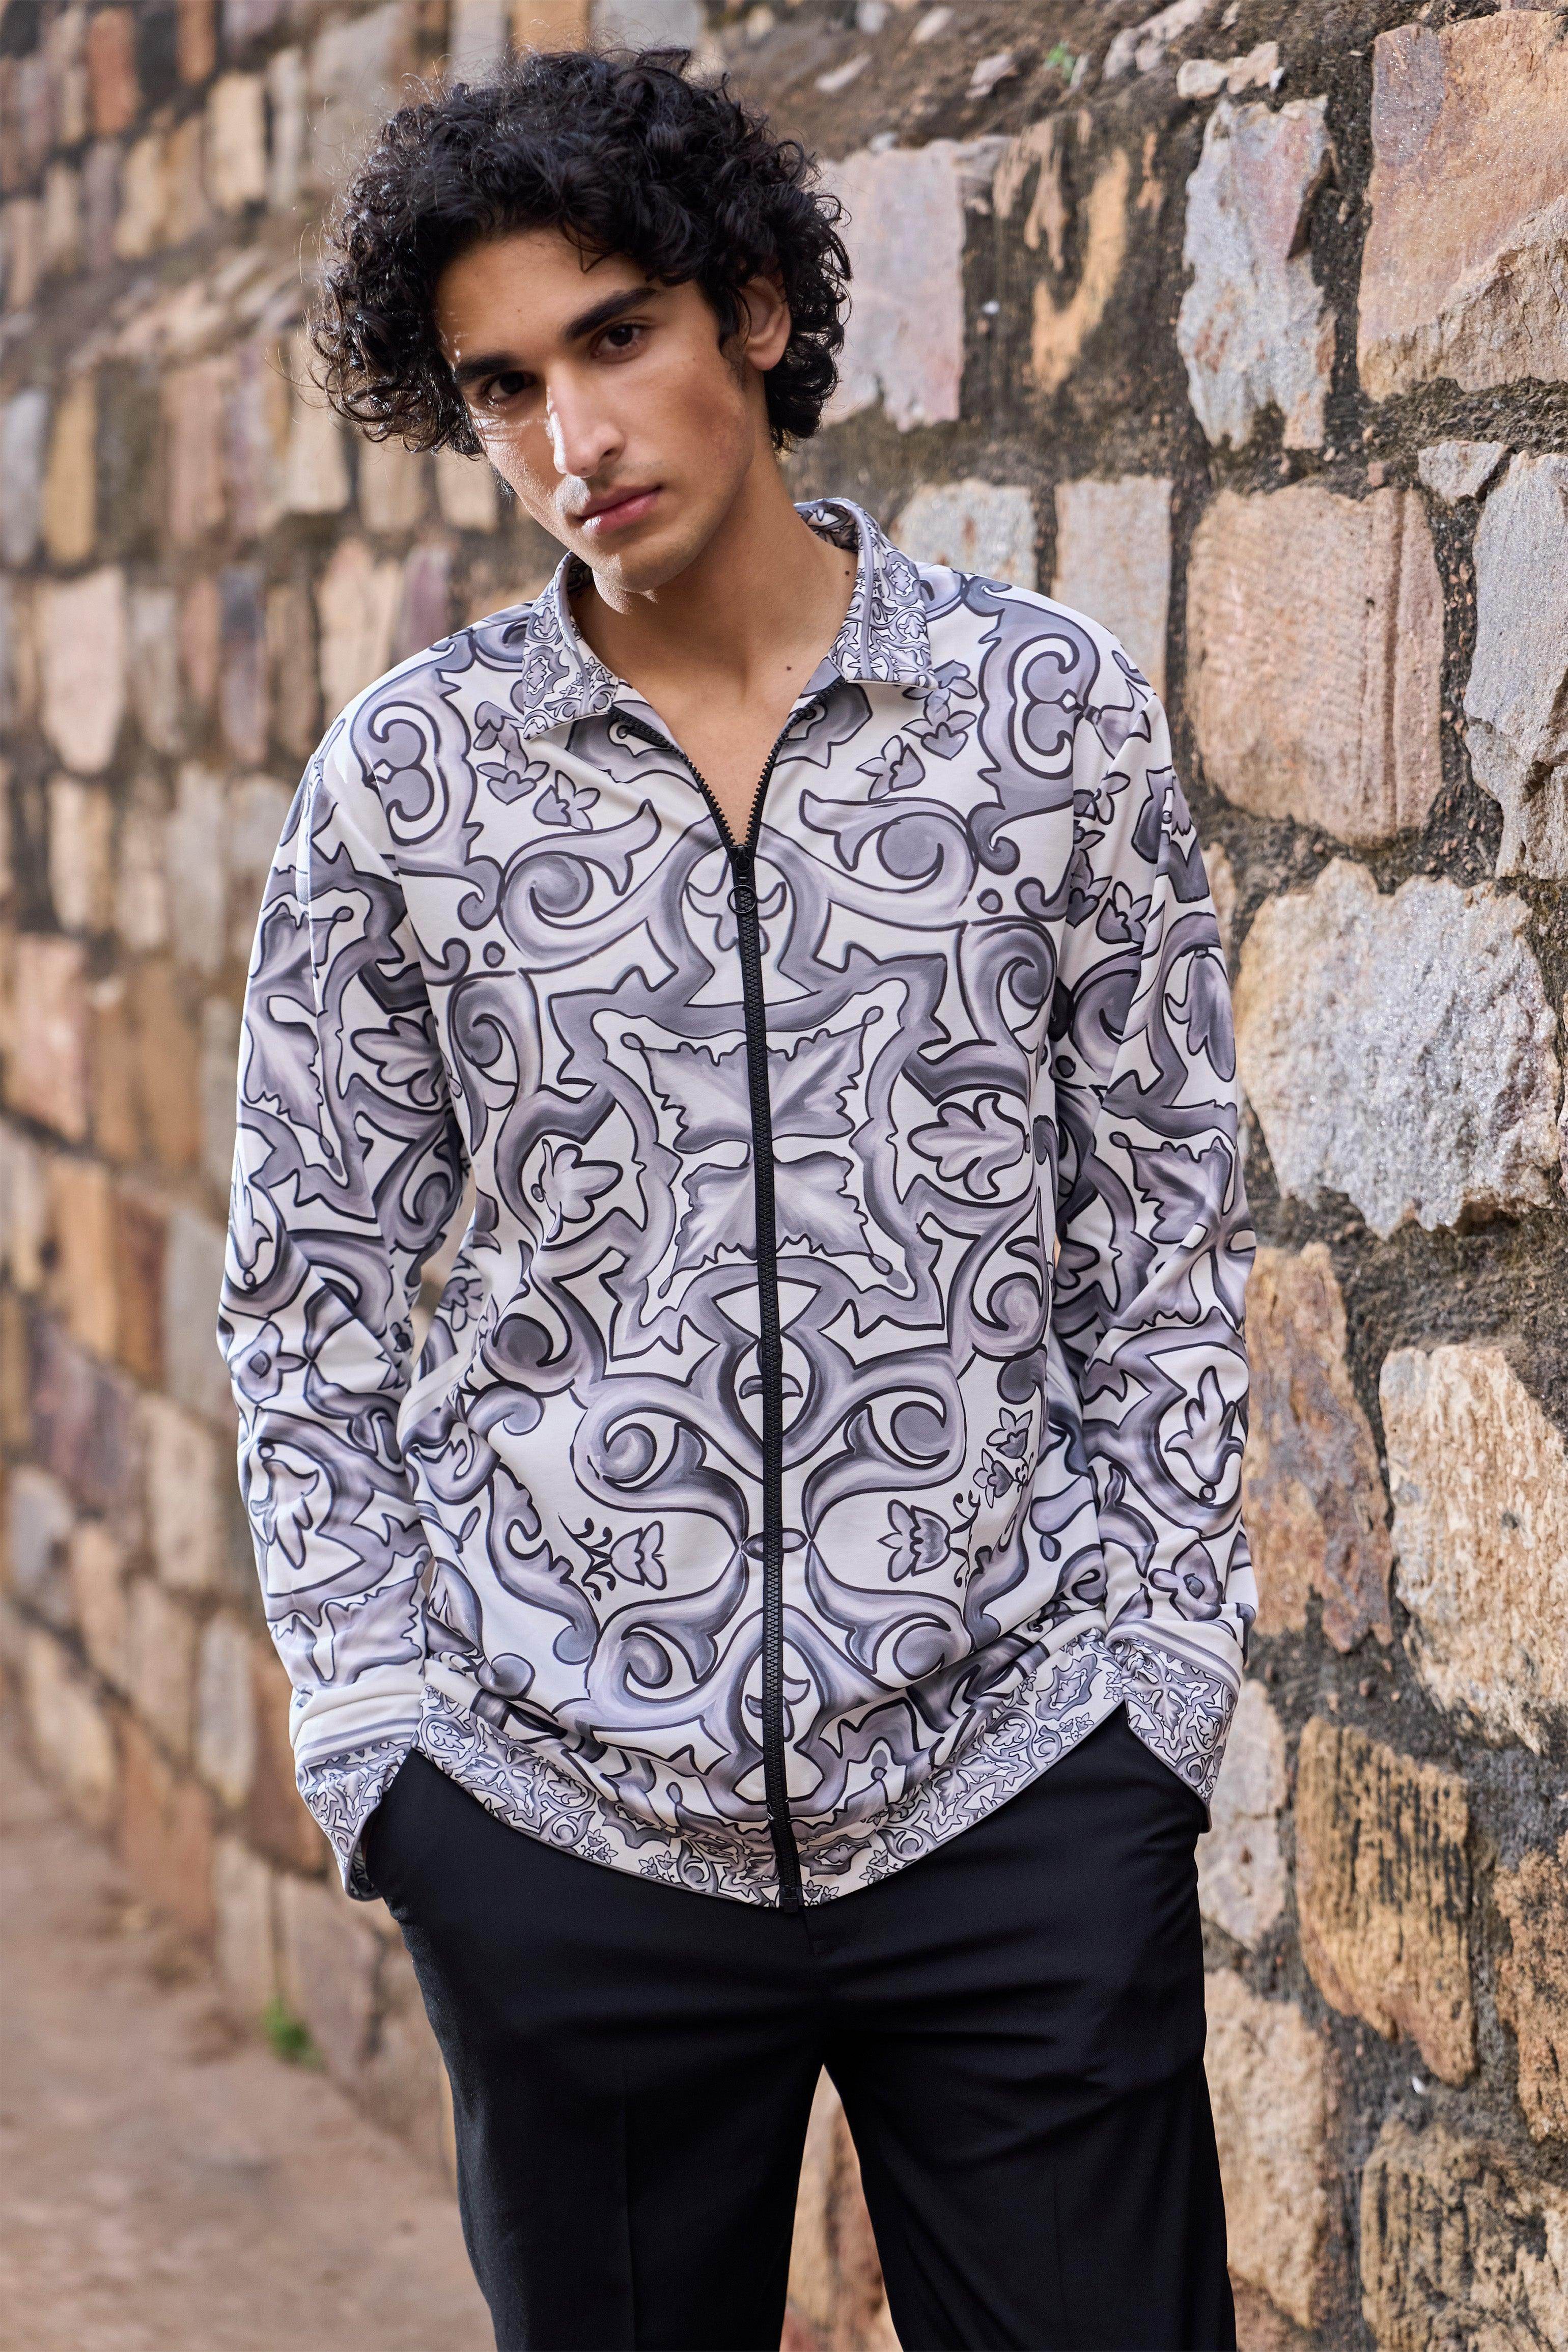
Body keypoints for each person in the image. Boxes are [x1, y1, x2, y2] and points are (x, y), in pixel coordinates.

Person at [219, 42, 1254, 2352]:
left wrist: (1159, 1684)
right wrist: (384, 1744)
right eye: (503, 386)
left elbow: (1165, 1228)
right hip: (554, 1822)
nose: (571, 437)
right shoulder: (412, 781)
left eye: (615, 338)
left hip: (1016, 1793)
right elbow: (303, 1292)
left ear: (755, 314)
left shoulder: (1040, 716)